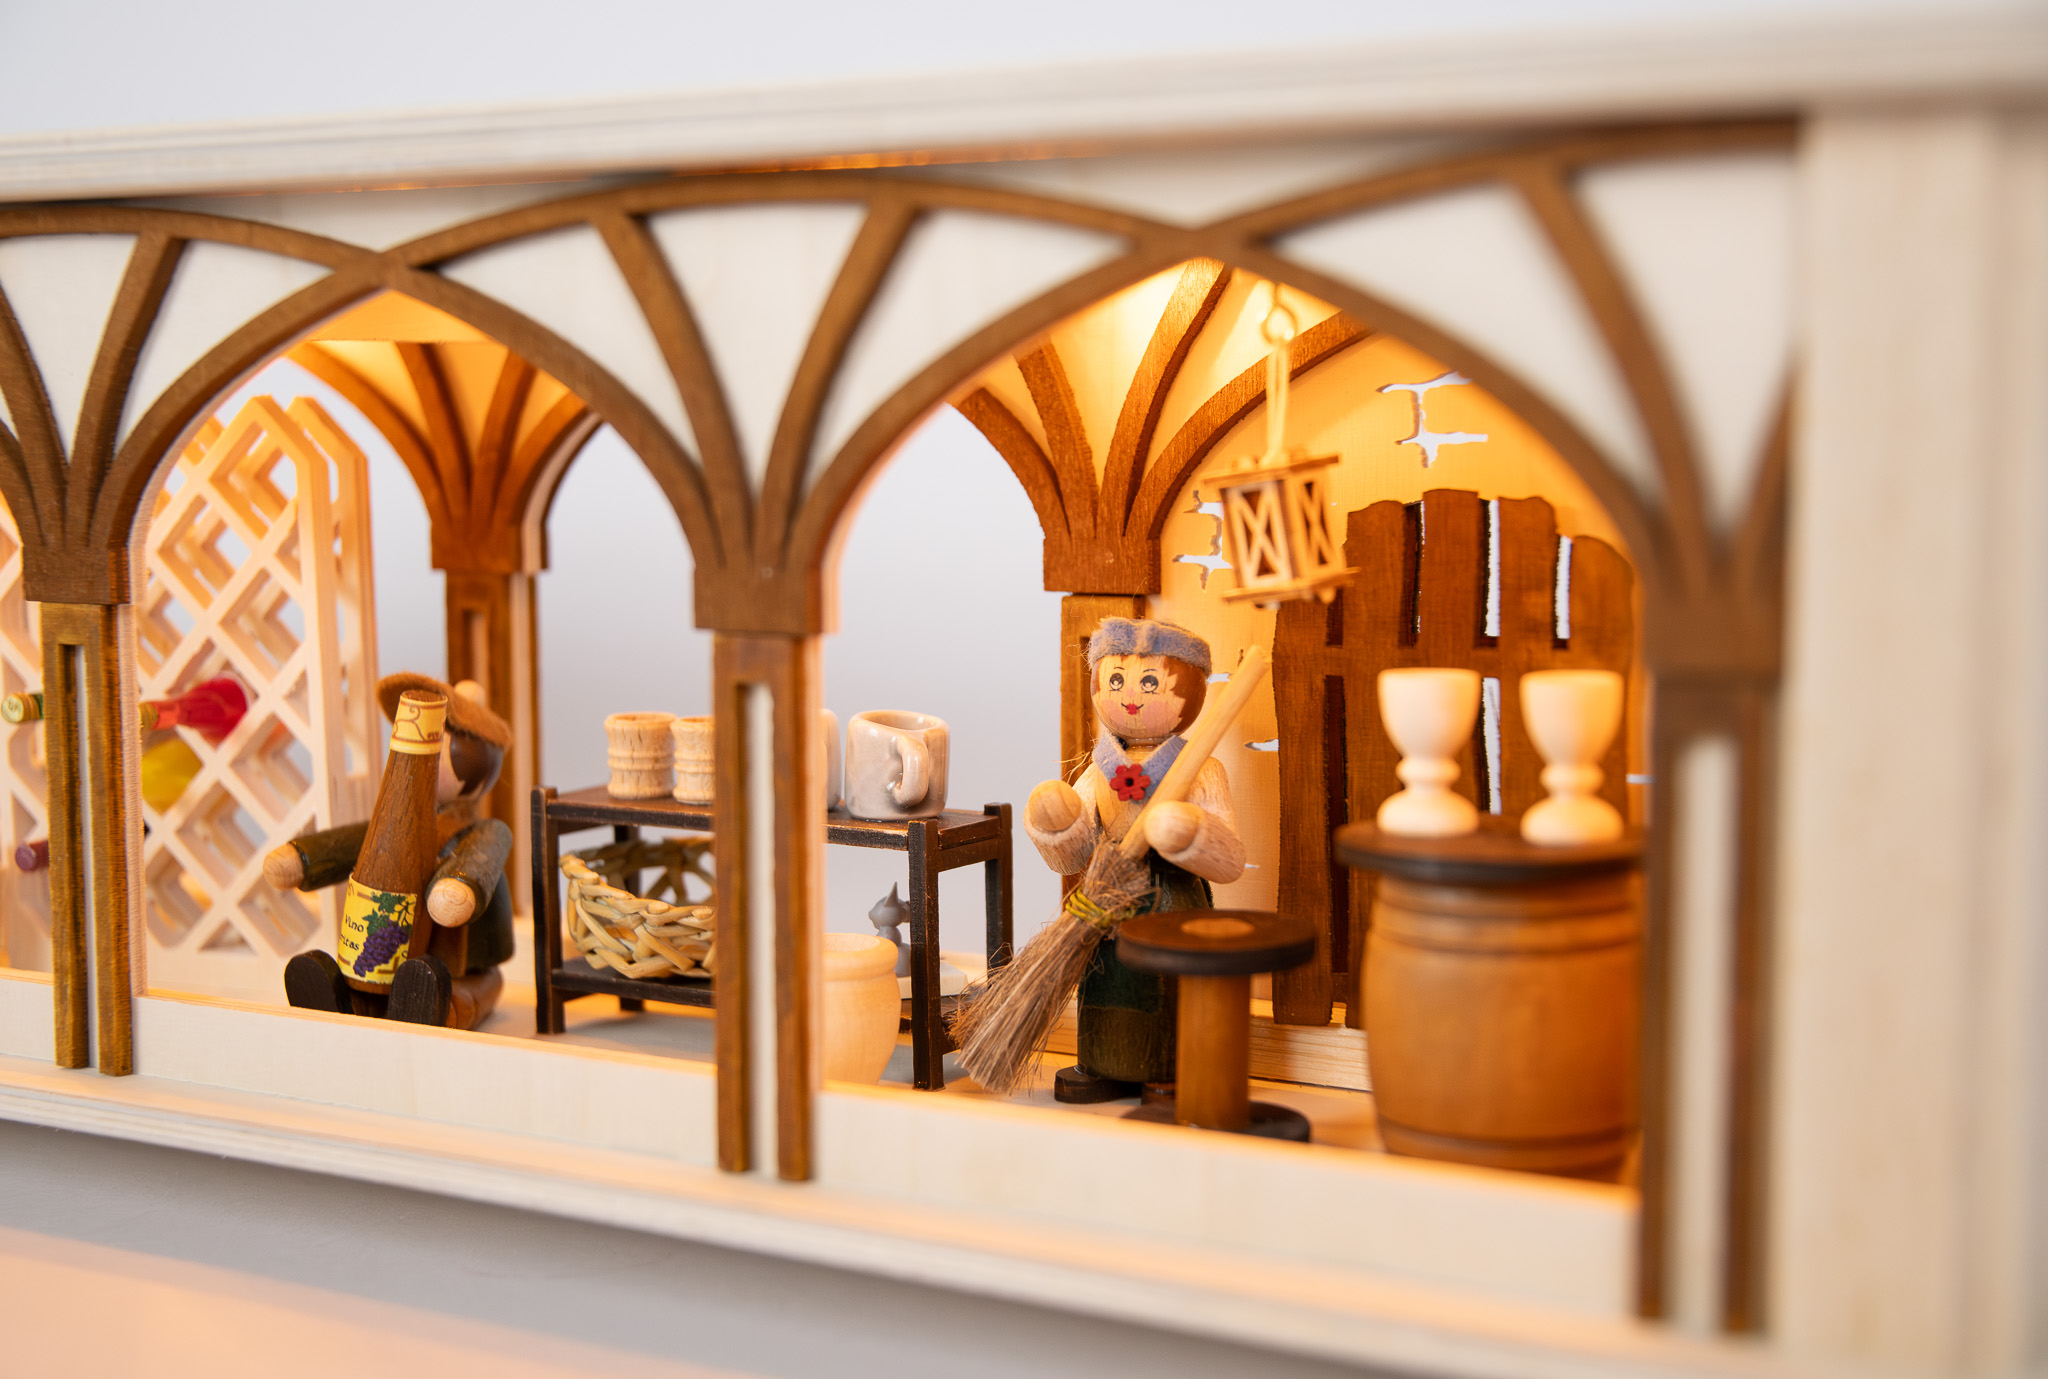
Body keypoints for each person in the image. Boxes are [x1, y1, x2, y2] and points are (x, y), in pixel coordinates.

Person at [1022, 618, 1245, 1101]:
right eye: (1117, 680)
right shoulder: (1098, 772)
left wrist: (1189, 834)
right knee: (1106, 983)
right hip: (1106, 903)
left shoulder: (1201, 771)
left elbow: (1228, 859)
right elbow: (1073, 859)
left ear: (1192, 692)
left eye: (1149, 683)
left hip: (1172, 904)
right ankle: (1102, 1061)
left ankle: (1168, 1067)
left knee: (1167, 987)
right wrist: (1056, 826)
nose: (1130, 697)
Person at [272, 673, 516, 1030]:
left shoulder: (485, 830)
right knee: (383, 974)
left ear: (479, 767)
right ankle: (348, 1003)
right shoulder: (401, 814)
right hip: (401, 955)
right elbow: (360, 840)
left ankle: (441, 1009)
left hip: (460, 956)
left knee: (452, 986)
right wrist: (304, 858)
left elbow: (480, 857)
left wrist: (456, 886)